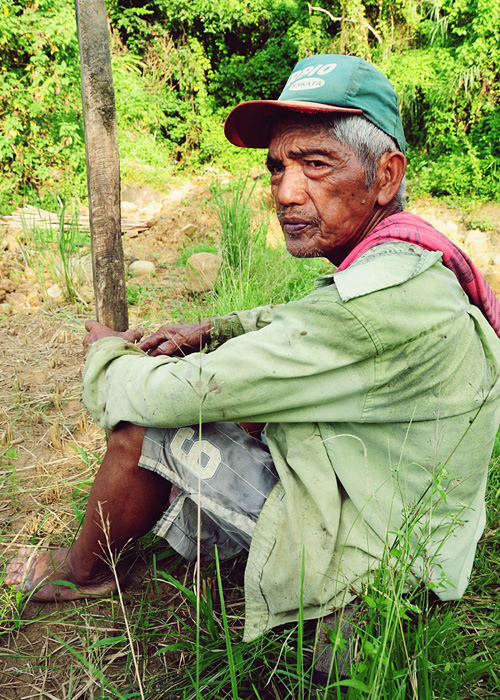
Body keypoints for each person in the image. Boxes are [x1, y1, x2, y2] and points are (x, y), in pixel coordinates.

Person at [6, 55, 500, 660]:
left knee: (146, 425)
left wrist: (107, 352)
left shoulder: (375, 300)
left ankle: (83, 572)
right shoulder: (414, 259)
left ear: (385, 175)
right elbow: (303, 324)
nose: (286, 192)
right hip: (412, 519)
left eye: (316, 164)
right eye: (277, 168)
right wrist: (214, 327)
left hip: (383, 558)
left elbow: (174, 392)